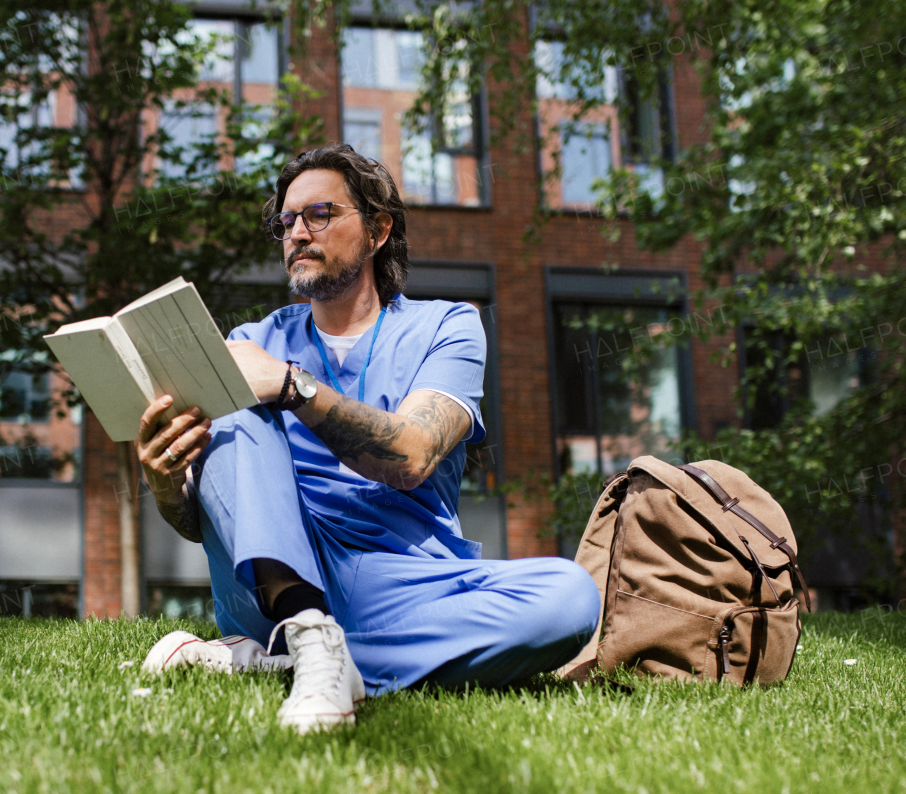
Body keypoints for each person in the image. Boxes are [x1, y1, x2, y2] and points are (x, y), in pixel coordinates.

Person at [138, 144, 599, 734]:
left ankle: (277, 663)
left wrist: (288, 384)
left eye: (319, 215)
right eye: (286, 221)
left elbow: (410, 456)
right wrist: (164, 483)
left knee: (570, 597)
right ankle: (307, 633)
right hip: (278, 576)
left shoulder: (448, 327)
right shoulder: (253, 340)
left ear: (379, 230)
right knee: (236, 406)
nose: (297, 233)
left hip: (407, 579)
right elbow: (214, 515)